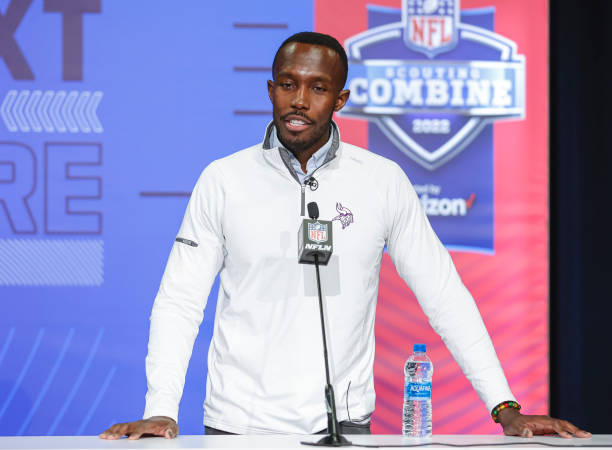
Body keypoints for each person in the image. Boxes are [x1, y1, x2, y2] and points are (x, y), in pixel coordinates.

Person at [100, 32, 590, 440]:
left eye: (317, 88)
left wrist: (504, 406)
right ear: (270, 90)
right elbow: (179, 301)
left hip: (344, 428)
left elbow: (444, 295)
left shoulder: (380, 180)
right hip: (238, 426)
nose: (299, 100)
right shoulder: (223, 180)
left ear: (341, 100)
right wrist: (162, 406)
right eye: (288, 84)